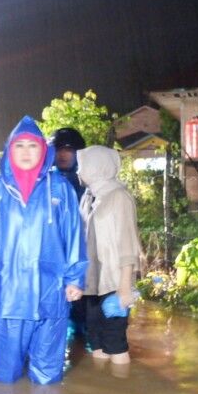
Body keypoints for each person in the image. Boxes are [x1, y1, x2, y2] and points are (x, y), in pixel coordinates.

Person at [0, 116, 87, 384]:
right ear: (10, 150)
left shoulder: (59, 188)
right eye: (19, 146)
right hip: (9, 296)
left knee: (48, 377)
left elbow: (74, 237)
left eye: (32, 146)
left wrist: (75, 278)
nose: (26, 152)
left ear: (43, 150)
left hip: (52, 294)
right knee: (3, 376)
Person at [76, 145, 142, 365]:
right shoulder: (88, 197)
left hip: (114, 282)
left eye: (83, 165)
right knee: (95, 340)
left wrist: (125, 286)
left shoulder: (119, 197)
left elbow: (128, 243)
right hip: (92, 282)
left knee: (115, 341)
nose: (78, 170)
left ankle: (122, 387)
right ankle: (101, 388)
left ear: (97, 167)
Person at [49, 127, 88, 341]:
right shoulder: (45, 183)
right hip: (54, 261)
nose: (63, 154)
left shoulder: (89, 183)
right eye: (59, 149)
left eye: (69, 150)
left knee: (84, 320)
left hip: (82, 261)